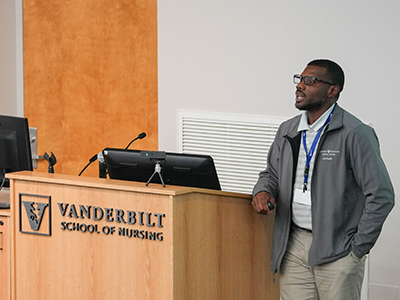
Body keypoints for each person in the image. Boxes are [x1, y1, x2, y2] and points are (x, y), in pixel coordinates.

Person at [252, 59, 395, 300]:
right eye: (300, 79)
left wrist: (357, 249)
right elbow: (271, 173)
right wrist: (262, 190)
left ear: (332, 90)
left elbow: (381, 194)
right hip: (294, 244)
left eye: (310, 81)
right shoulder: (288, 130)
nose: (300, 86)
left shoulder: (355, 133)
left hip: (338, 249)